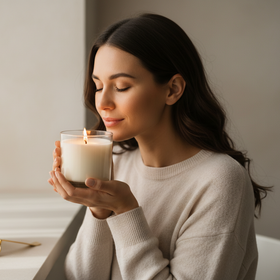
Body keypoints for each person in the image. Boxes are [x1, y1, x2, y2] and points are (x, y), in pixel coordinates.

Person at [48, 13, 270, 280]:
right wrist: (99, 210)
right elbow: (81, 277)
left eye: (121, 86)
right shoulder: (115, 162)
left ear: (172, 89)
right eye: (98, 86)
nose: (103, 102)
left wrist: (126, 209)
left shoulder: (220, 180)